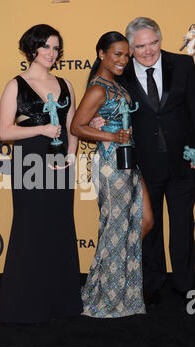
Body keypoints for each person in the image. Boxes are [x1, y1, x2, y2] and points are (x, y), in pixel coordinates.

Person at [94, 17, 195, 307]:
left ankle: (187, 284)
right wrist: (99, 121)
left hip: (182, 164)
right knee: (149, 227)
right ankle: (152, 282)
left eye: (154, 43)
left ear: (160, 41)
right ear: (130, 47)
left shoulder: (184, 65)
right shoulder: (118, 73)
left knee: (183, 226)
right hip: (142, 164)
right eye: (140, 46)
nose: (149, 51)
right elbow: (97, 97)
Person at [0, 24, 82, 323]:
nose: (51, 53)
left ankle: (62, 303)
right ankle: (24, 305)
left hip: (61, 164)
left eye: (56, 48)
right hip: (29, 162)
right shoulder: (15, 85)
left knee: (59, 228)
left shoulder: (66, 83)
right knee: (31, 228)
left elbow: (73, 124)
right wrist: (42, 128)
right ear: (32, 48)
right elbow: (5, 132)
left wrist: (72, 154)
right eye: (46, 46)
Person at [71, 31, 153, 318]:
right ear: (101, 54)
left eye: (126, 56)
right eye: (117, 54)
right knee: (116, 228)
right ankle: (103, 297)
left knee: (143, 221)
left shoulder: (114, 83)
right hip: (111, 163)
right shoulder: (97, 88)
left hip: (128, 160)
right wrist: (110, 134)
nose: (123, 60)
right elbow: (76, 127)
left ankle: (119, 290)